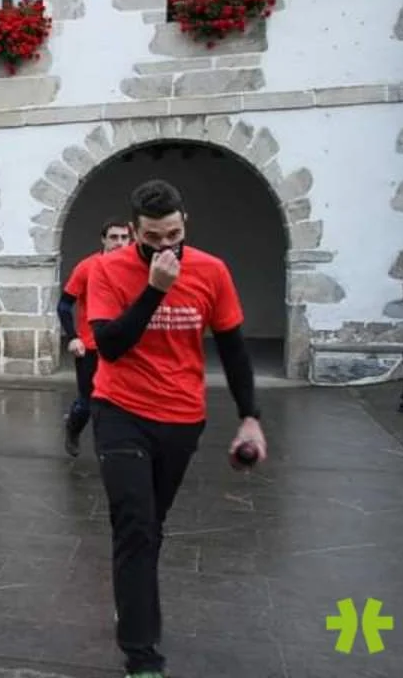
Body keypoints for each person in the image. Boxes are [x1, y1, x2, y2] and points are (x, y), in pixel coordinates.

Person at [85, 179, 268, 678]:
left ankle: (133, 599)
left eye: (173, 235)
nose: (165, 246)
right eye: (153, 237)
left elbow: (233, 348)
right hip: (119, 409)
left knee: (152, 524)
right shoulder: (106, 270)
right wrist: (154, 290)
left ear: (185, 222)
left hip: (182, 417)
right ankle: (141, 654)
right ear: (134, 232)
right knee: (135, 525)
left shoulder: (212, 270)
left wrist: (250, 417)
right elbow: (110, 345)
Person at [57, 218, 131, 457]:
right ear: (103, 240)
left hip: (123, 347)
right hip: (90, 346)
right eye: (113, 237)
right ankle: (73, 427)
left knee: (122, 402)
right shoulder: (87, 267)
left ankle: (111, 451)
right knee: (88, 402)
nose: (119, 242)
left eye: (124, 237)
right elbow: (64, 306)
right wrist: (73, 337)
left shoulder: (136, 268)